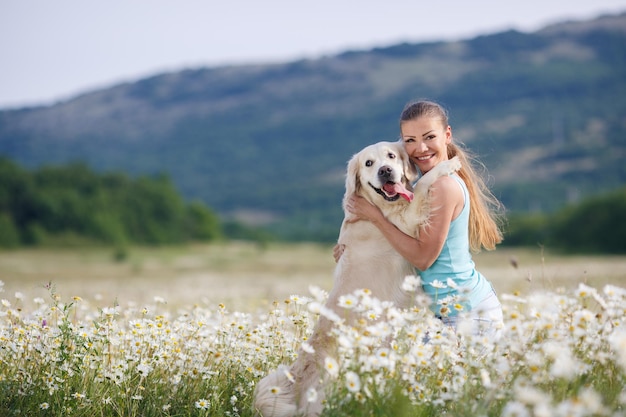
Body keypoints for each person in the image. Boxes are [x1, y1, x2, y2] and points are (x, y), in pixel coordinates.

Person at [335, 99, 504, 336]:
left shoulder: (443, 186)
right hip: (446, 315)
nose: (421, 148)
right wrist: (355, 248)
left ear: (447, 135)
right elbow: (401, 235)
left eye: (429, 137)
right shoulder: (424, 186)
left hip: (469, 314)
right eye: (410, 141)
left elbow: (422, 258)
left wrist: (375, 217)